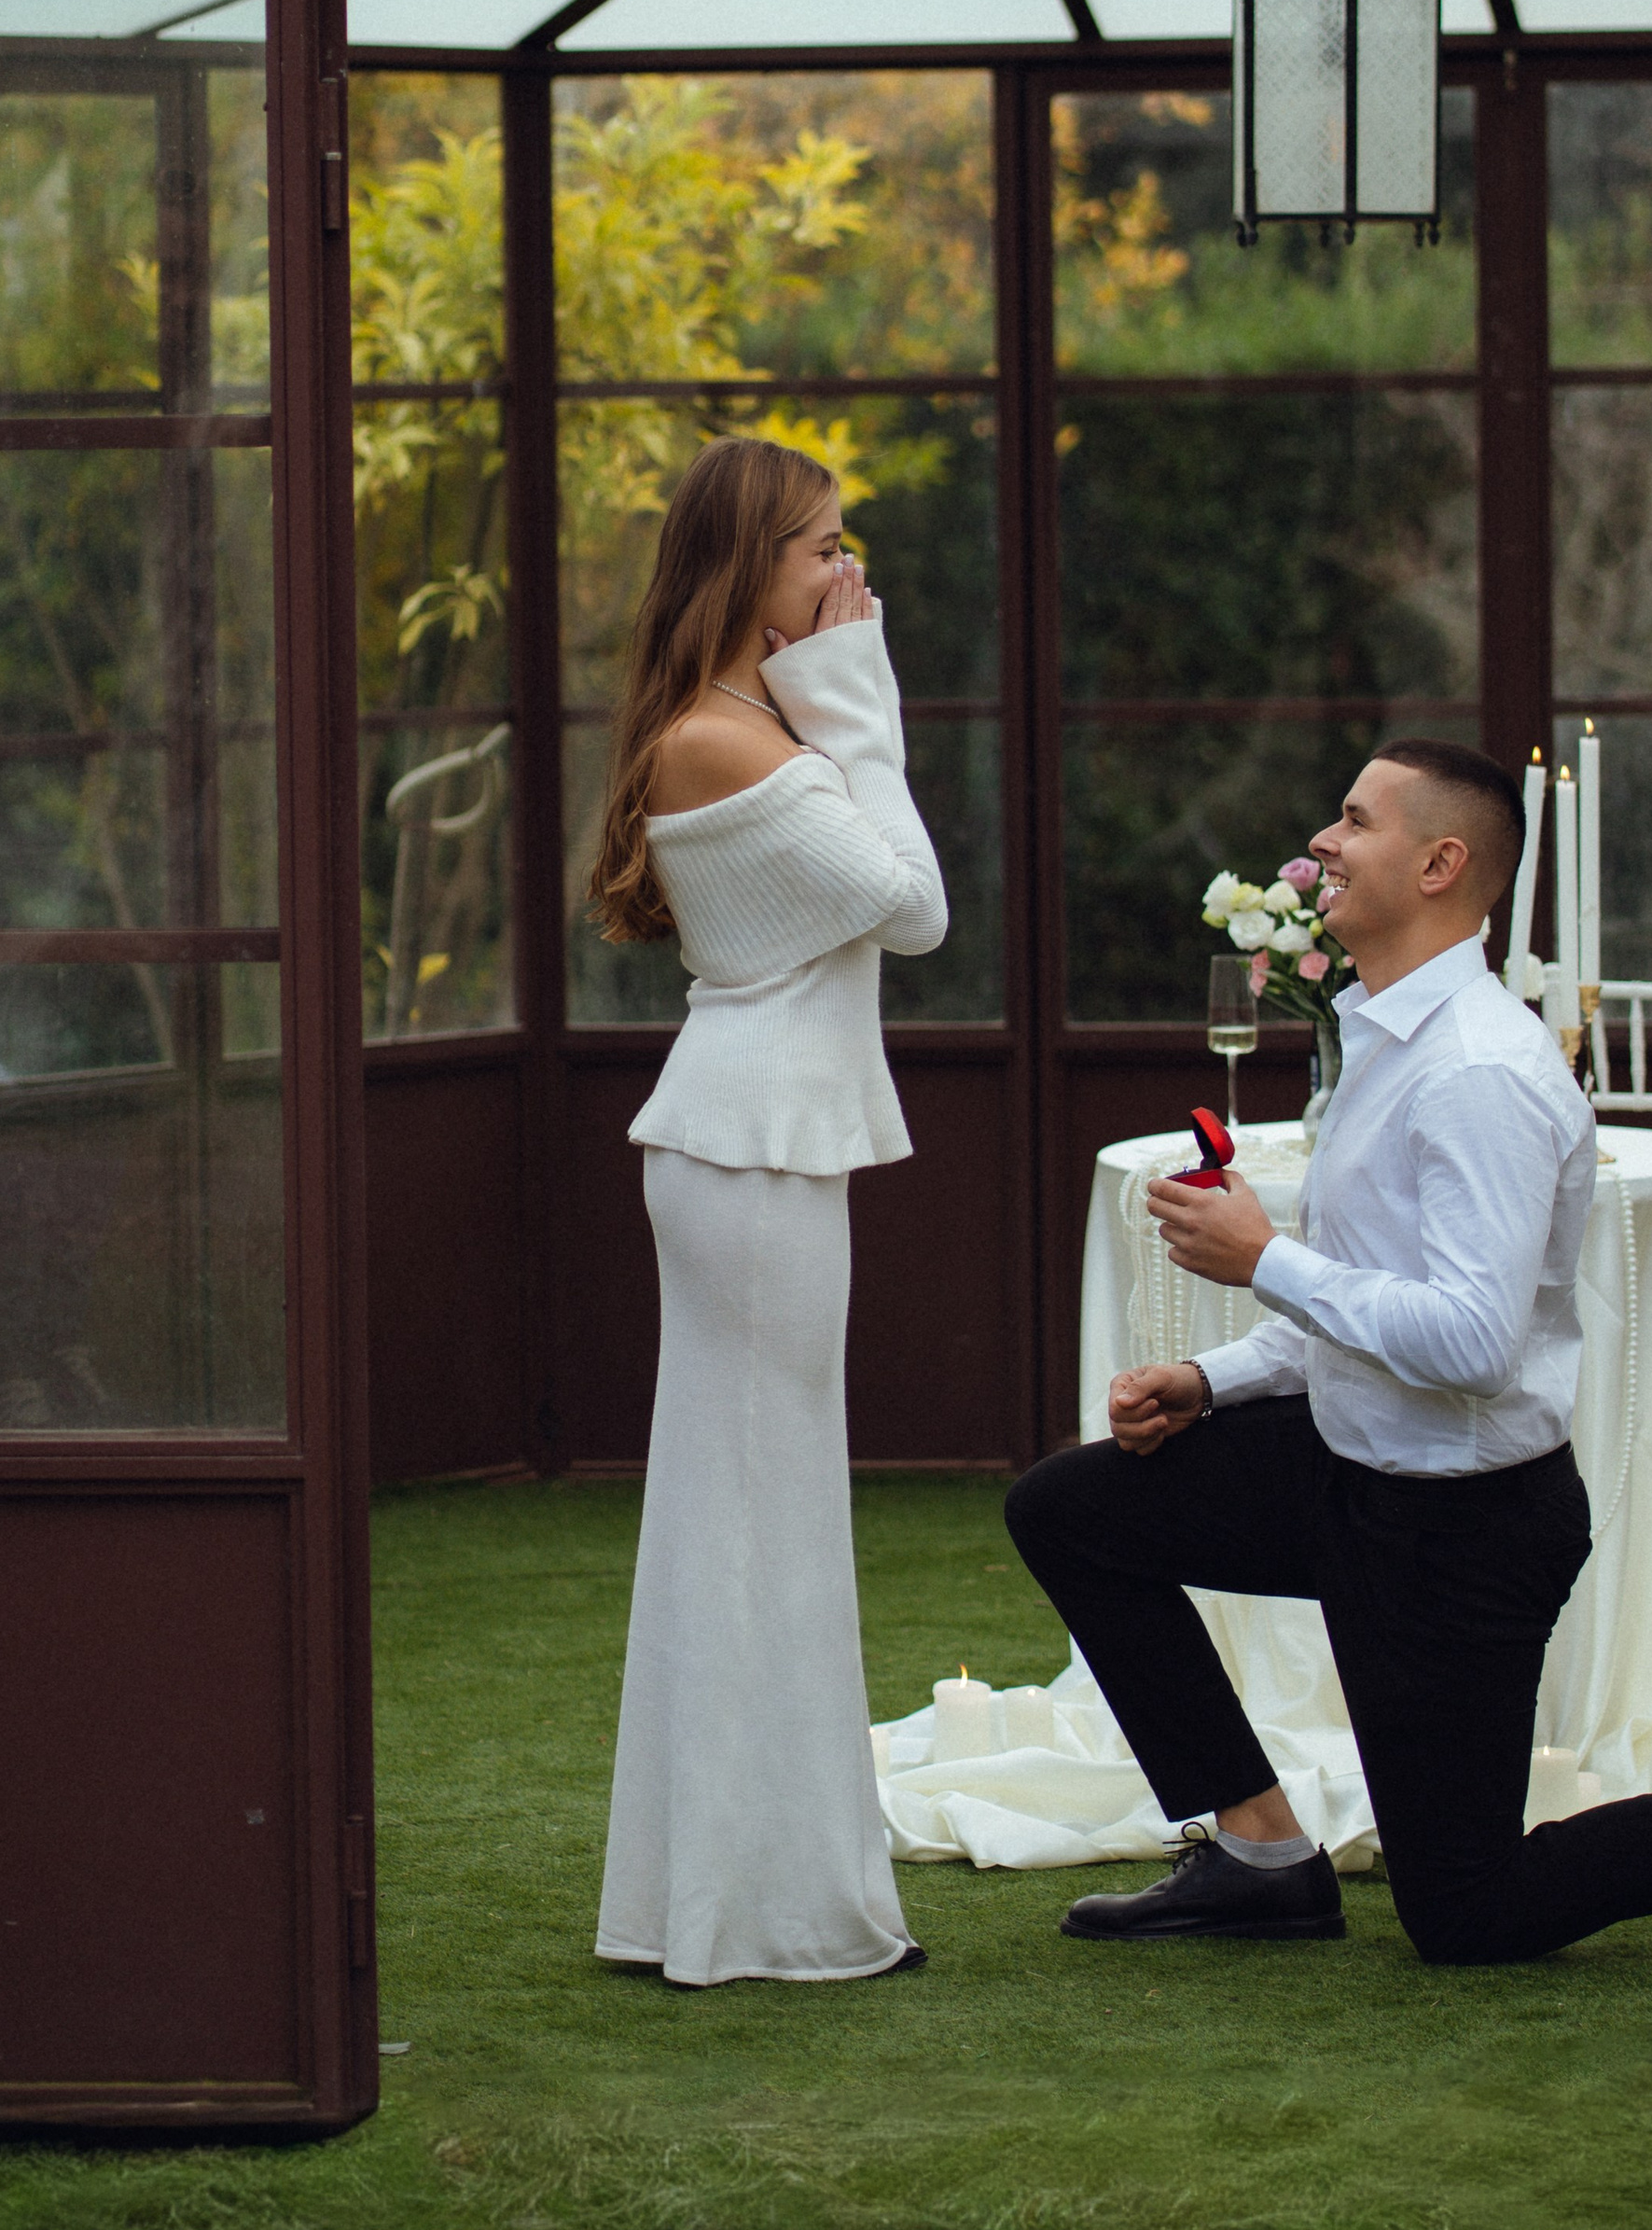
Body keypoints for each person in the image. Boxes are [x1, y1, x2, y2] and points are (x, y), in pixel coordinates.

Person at [1006, 740, 1652, 1963]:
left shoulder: (1477, 1071)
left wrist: (1263, 1256)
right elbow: (1376, 1296)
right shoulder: (1377, 1037)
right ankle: (1263, 1851)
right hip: (1344, 1472)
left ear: (1439, 863)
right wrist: (1215, 1376)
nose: (1321, 841)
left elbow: (1472, 1343)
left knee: (1470, 1912)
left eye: (1352, 821)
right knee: (1068, 1507)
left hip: (1461, 1532)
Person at [585, 436, 943, 1985]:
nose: (844, 577)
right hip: (747, 1150)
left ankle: (724, 1898)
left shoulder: (746, 717)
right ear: (748, 566)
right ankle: (758, 1913)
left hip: (760, 1145)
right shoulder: (724, 739)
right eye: (818, 550)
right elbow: (914, 906)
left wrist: (831, 690)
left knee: (760, 1516)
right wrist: (856, 687)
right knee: (754, 1524)